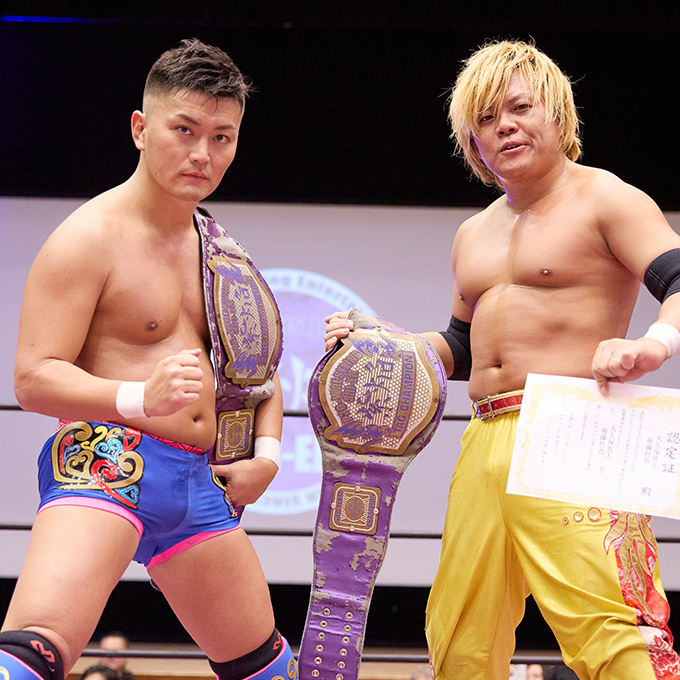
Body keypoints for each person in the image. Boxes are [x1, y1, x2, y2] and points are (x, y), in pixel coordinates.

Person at [325, 40, 680, 679]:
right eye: (487, 118)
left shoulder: (607, 198)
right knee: (460, 632)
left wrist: (652, 344)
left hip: (575, 423)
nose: (505, 126)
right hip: (485, 434)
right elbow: (462, 347)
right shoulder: (473, 232)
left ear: (558, 115)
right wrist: (381, 343)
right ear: (473, 144)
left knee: (613, 627)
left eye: (520, 108)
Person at [0, 39, 295, 680]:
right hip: (105, 462)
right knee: (31, 654)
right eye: (184, 130)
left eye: (222, 137)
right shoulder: (87, 238)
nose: (202, 154)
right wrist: (139, 397)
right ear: (140, 128)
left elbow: (258, 372)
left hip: (199, 484)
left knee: (265, 669)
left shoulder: (222, 252)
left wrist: (268, 458)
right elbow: (32, 377)